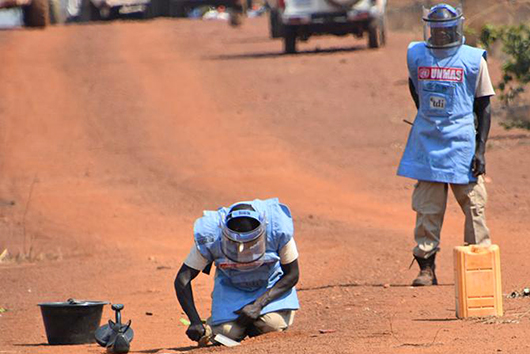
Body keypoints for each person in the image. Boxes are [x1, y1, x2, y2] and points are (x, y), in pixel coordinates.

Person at [397, 3, 495, 286]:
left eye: (445, 30)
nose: (439, 35)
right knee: (427, 208)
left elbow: (484, 107)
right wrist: (427, 118)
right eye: (435, 30)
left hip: (462, 144)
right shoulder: (417, 54)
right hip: (428, 143)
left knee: (474, 205)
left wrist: (480, 149)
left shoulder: (473, 59)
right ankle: (426, 268)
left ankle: (478, 265)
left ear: (456, 29)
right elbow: (415, 88)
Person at [174, 198, 300, 345]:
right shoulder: (211, 236)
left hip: (268, 289)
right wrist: (194, 321)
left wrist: (258, 305)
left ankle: (253, 324)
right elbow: (182, 279)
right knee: (227, 334)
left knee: (272, 325)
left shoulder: (277, 230)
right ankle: (221, 326)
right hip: (231, 291)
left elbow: (292, 274)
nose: (243, 250)